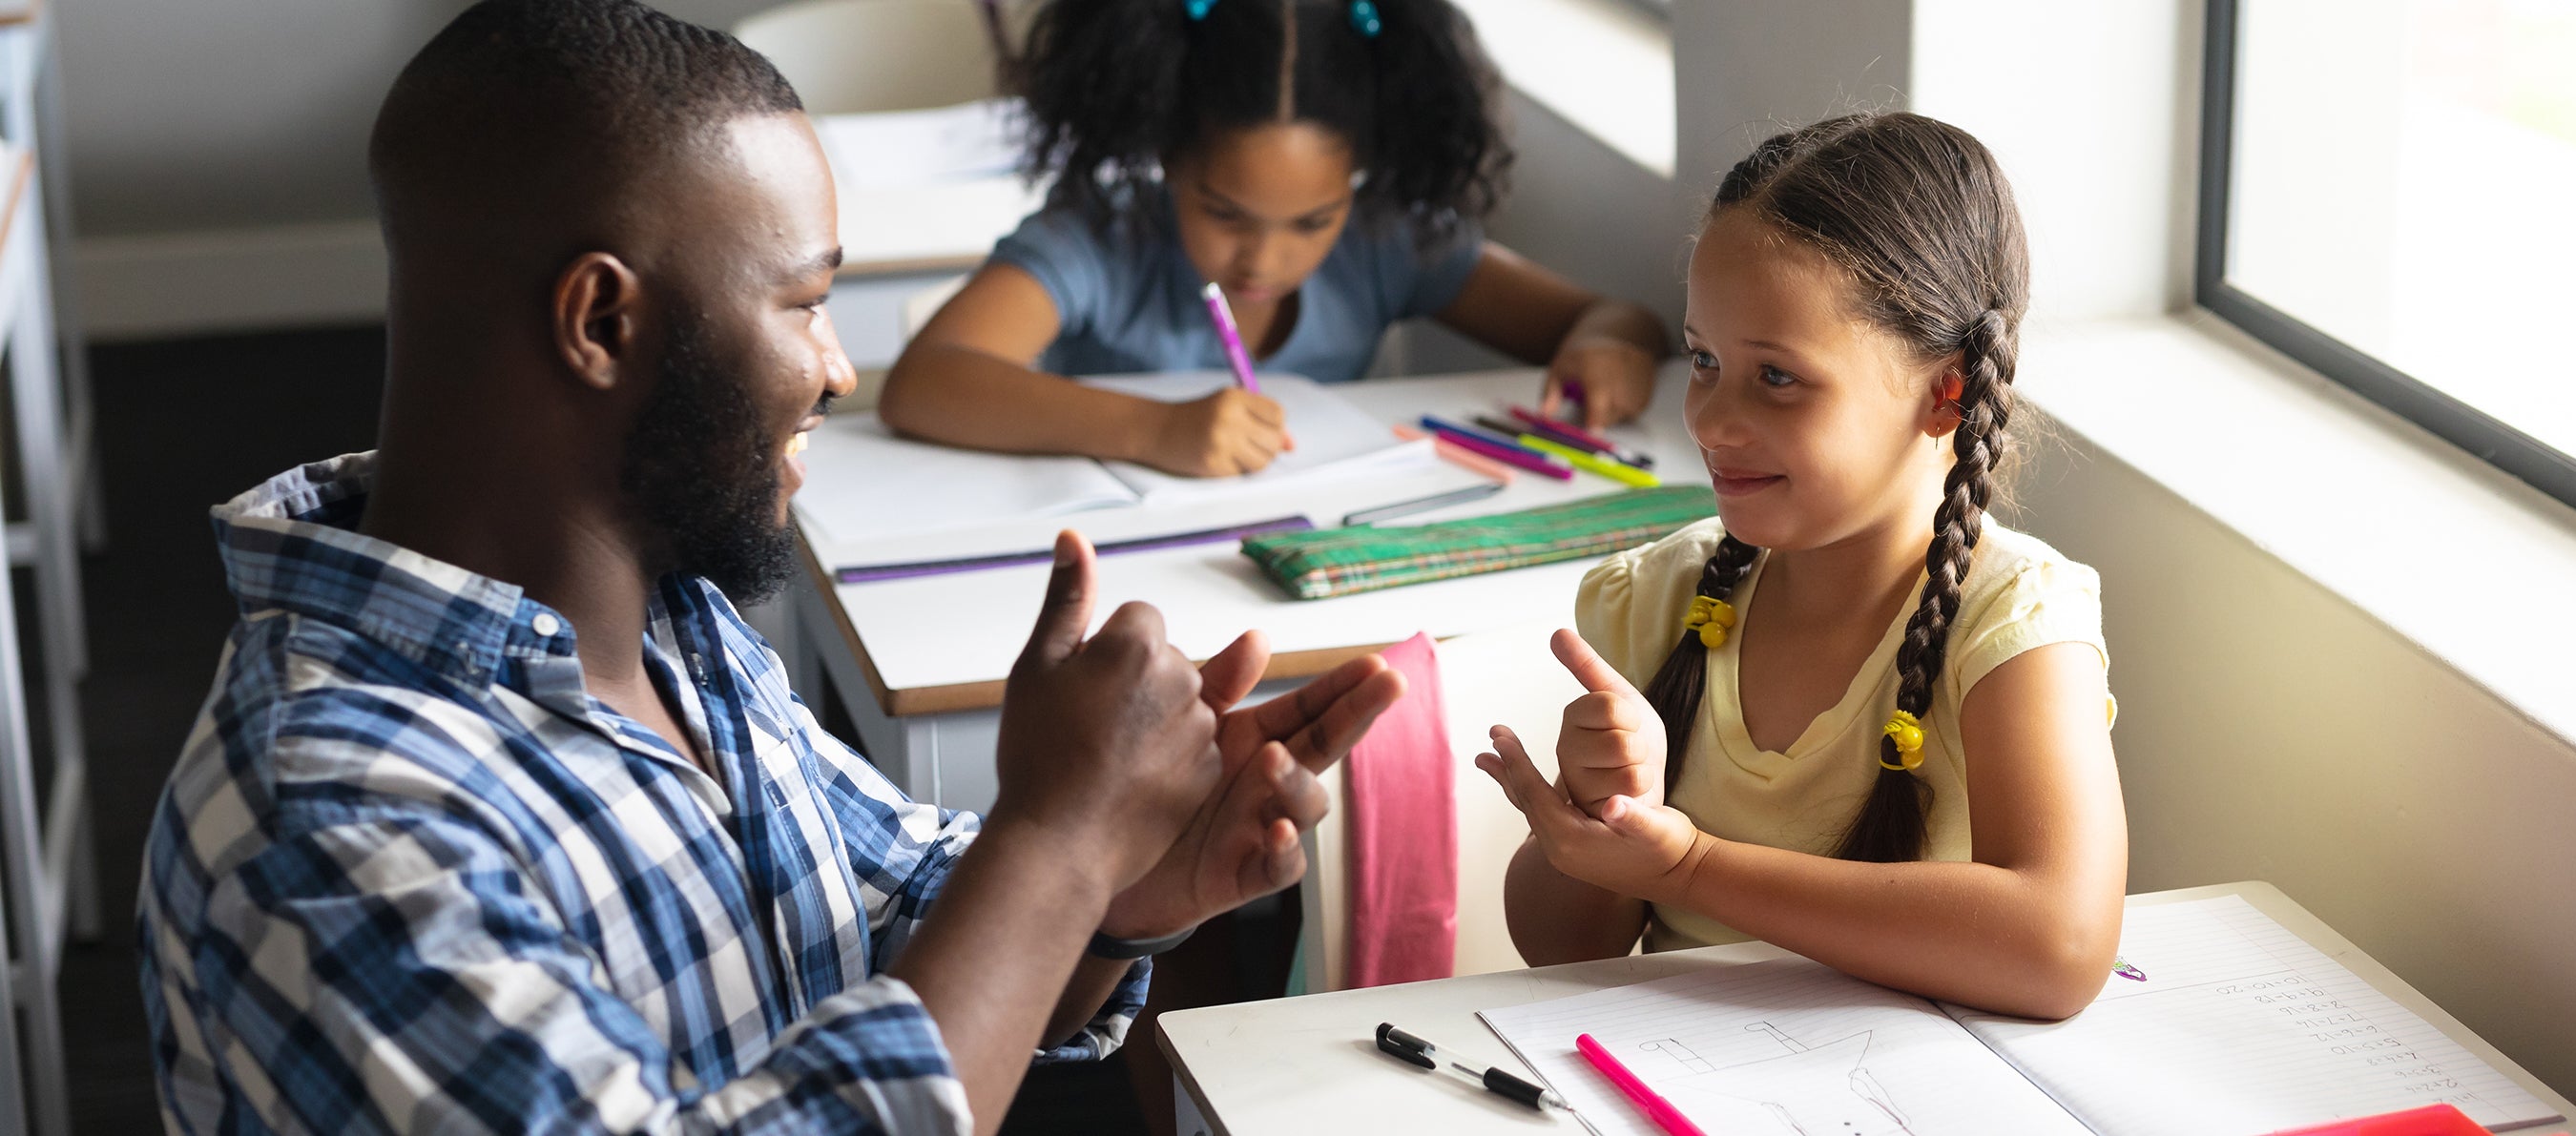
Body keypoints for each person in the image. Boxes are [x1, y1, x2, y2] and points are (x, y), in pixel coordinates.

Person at [135, 3, 1402, 1132]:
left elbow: (884, 927)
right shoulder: (333, 828)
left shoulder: (667, 616)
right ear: (604, 323)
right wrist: (1058, 838)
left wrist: (1121, 885)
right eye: (802, 303)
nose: (838, 367)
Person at [1479, 114, 2129, 1019]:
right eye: (1703, 360)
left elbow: (2059, 946)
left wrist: (1690, 864)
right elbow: (1560, 943)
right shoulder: (1659, 600)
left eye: (1776, 377)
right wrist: (1597, 822)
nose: (1709, 420)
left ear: (1944, 394)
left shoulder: (2012, 623)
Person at [876, 0, 1671, 475]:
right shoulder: (1100, 237)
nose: (1265, 258)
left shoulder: (1385, 240)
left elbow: (1614, 318)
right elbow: (926, 382)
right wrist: (1155, 428)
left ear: (1357, 180)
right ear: (1168, 157)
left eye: (1311, 222)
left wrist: (1609, 346)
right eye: (1224, 212)